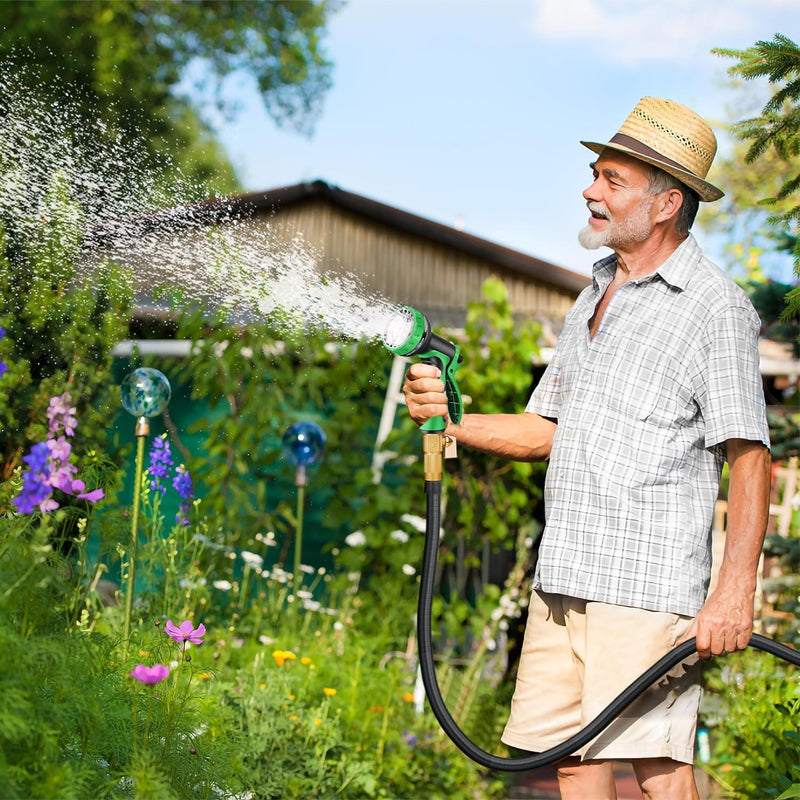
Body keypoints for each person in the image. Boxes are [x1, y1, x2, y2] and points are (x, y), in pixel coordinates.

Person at [402, 97, 771, 800]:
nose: (589, 190)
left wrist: (733, 594)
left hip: (646, 585)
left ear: (665, 204)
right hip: (567, 570)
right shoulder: (595, 293)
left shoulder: (713, 307)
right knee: (575, 762)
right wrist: (454, 423)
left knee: (660, 768)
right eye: (593, 174)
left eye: (610, 180)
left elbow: (750, 457)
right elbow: (548, 431)